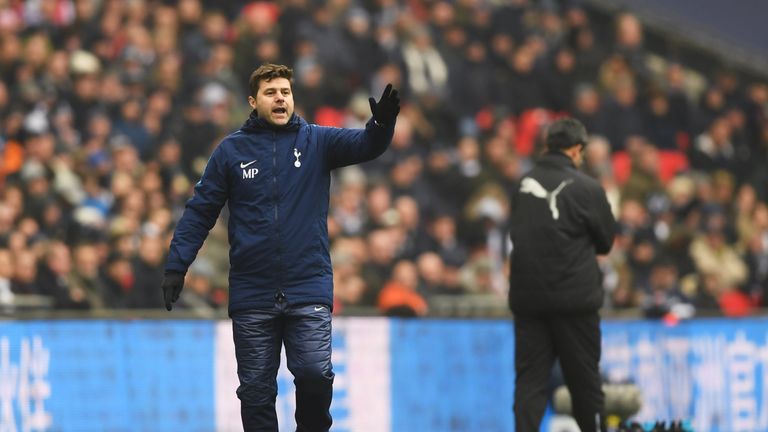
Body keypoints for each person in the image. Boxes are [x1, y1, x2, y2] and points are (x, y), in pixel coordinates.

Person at [161, 63, 400, 431]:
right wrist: (178, 264)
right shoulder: (230, 152)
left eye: (285, 92)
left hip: (308, 286)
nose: (280, 99)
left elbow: (367, 145)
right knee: (256, 393)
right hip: (252, 291)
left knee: (315, 376)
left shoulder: (317, 141)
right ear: (253, 101)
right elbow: (201, 210)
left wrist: (382, 126)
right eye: (271, 93)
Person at [507, 118, 616, 432]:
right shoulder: (587, 188)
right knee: (585, 384)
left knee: (530, 383)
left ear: (547, 147)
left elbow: (518, 234)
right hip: (575, 302)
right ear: (577, 150)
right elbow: (606, 242)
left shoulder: (523, 185)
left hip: (529, 302)